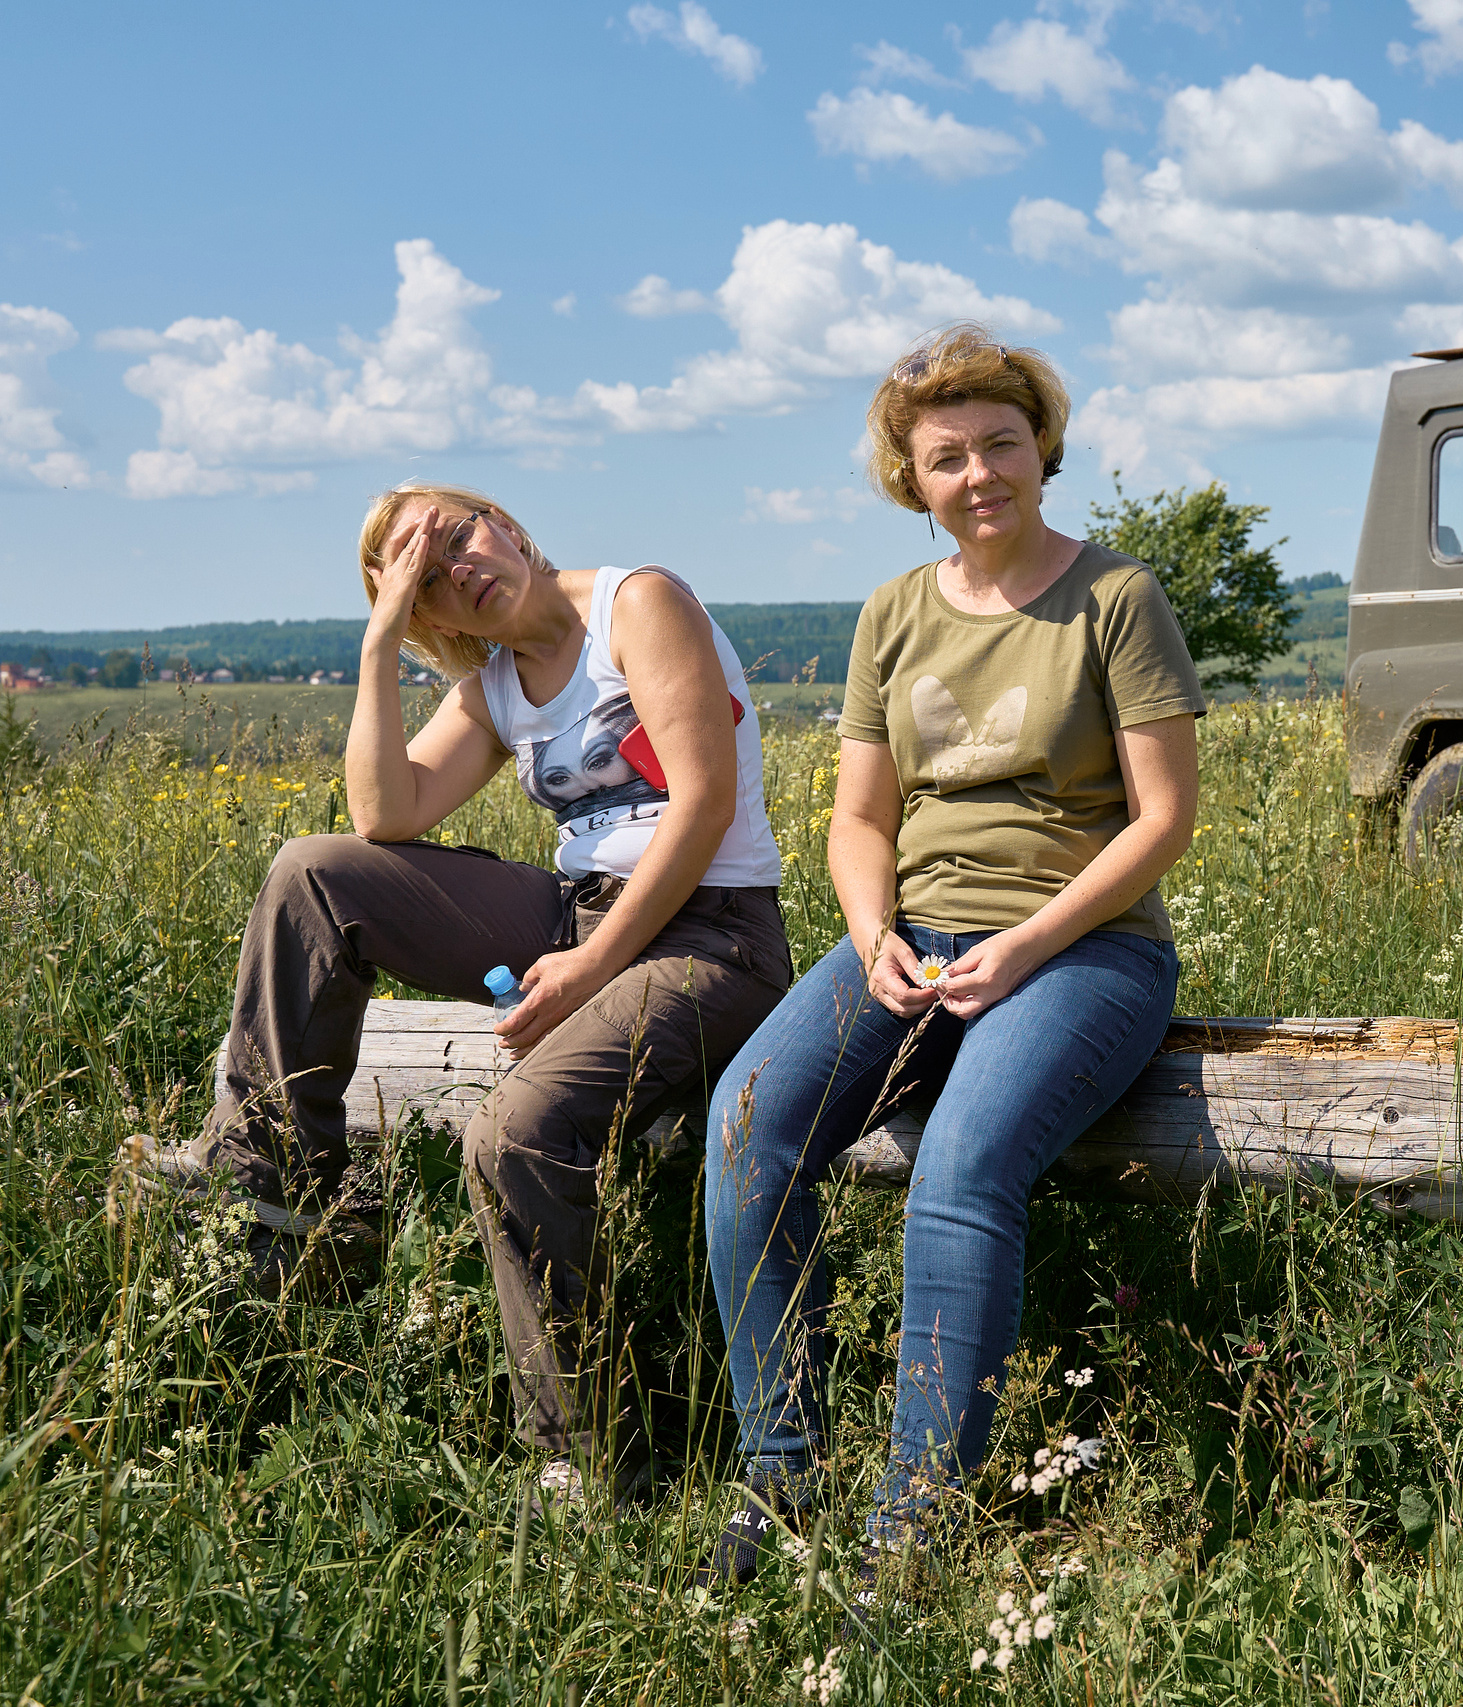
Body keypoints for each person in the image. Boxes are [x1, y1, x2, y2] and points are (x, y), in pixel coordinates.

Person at [126, 482, 790, 1504]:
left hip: (713, 937)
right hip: (581, 917)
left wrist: (592, 968)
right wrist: (377, 644)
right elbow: (383, 813)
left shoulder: (638, 605)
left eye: (457, 538)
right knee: (314, 872)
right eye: (426, 578)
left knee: (513, 1132)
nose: (458, 570)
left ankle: (593, 1463)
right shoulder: (494, 687)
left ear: (507, 526)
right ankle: (274, 1182)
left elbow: (702, 805)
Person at [700, 324, 1202, 1581]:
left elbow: (1162, 819)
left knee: (961, 1169)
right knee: (747, 1127)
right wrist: (873, 937)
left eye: (1000, 444)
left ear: (1041, 450)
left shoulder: (1116, 597)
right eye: (946, 457)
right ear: (909, 479)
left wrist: (1027, 943)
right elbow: (861, 820)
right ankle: (781, 1475)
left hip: (1083, 948)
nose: (979, 474)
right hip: (915, 944)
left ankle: (912, 1531)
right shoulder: (893, 612)